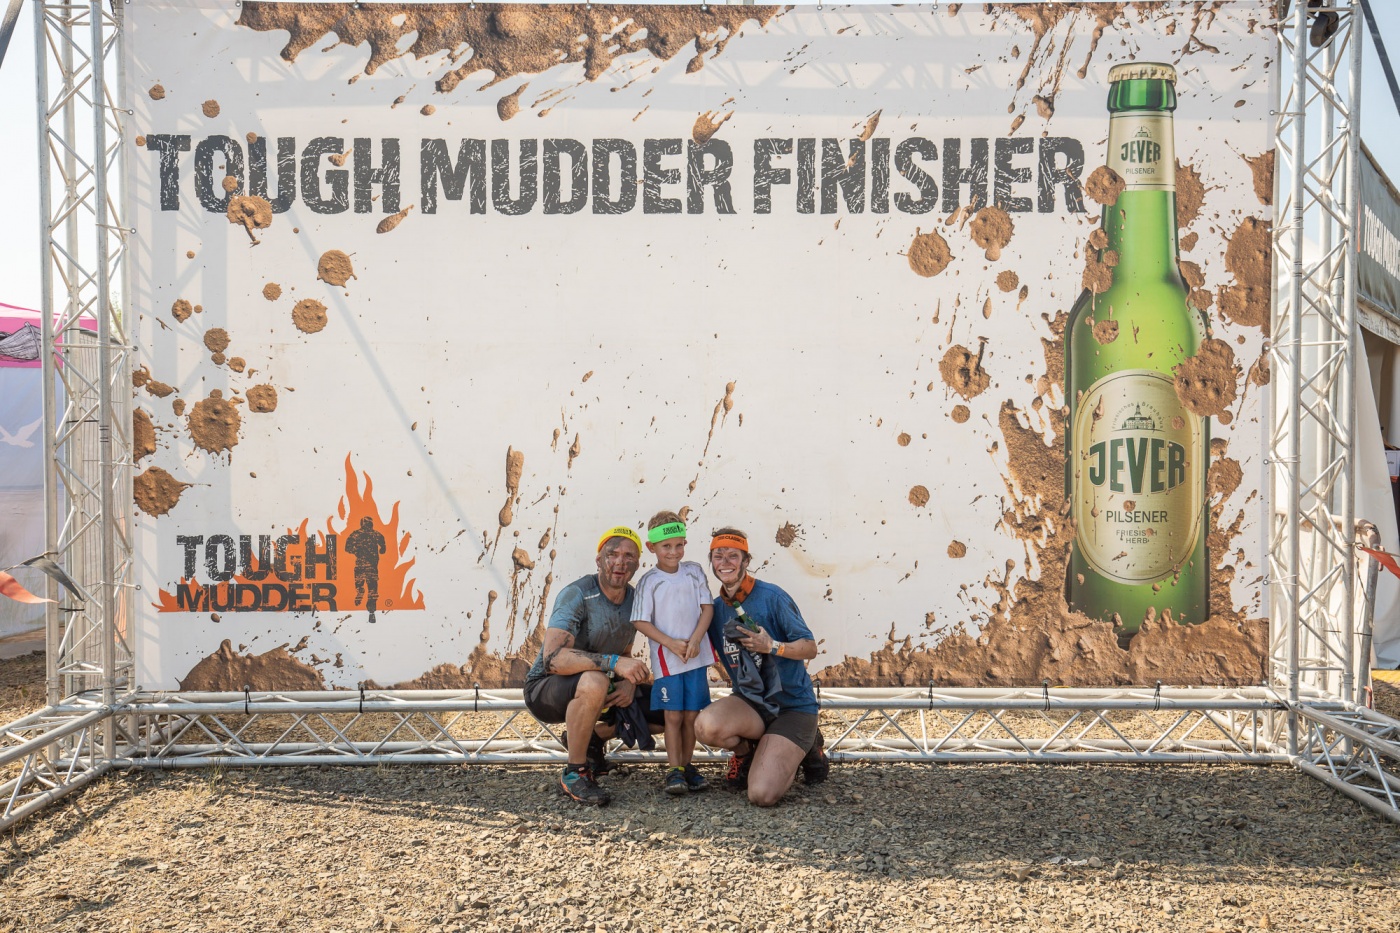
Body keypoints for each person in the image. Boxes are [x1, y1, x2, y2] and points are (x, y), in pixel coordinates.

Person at [522, 526, 657, 806]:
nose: (620, 562)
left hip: (600, 684)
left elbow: (624, 651)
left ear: (637, 564)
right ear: (598, 560)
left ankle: (594, 739)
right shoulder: (577, 594)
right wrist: (614, 664)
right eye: (612, 554)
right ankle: (575, 772)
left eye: (629, 556)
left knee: (669, 702)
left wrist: (628, 683)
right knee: (596, 681)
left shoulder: (635, 600)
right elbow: (553, 659)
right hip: (545, 689)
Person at [695, 527, 830, 807]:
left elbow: (810, 647)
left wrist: (773, 646)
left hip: (792, 706)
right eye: (718, 556)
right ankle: (746, 753)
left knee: (761, 795)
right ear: (712, 562)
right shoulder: (714, 609)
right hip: (752, 703)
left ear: (746, 561)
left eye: (733, 556)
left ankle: (808, 746)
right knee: (706, 727)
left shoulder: (772, 596)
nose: (725, 562)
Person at [630, 511, 716, 796]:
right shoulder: (649, 581)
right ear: (651, 547)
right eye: (666, 546)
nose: (673, 551)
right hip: (668, 662)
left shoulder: (694, 571)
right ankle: (674, 769)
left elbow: (707, 608)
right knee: (673, 717)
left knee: (691, 716)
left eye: (679, 545)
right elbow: (640, 620)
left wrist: (696, 639)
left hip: (696, 657)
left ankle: (688, 766)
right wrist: (670, 643)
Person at [344, 516, 386, 622]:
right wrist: (382, 549)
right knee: (371, 587)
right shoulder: (374, 534)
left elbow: (347, 547)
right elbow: (383, 544)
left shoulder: (357, 534)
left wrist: (356, 550)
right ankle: (370, 609)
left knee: (364, 584)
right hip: (370, 565)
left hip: (364, 565)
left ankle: (364, 598)